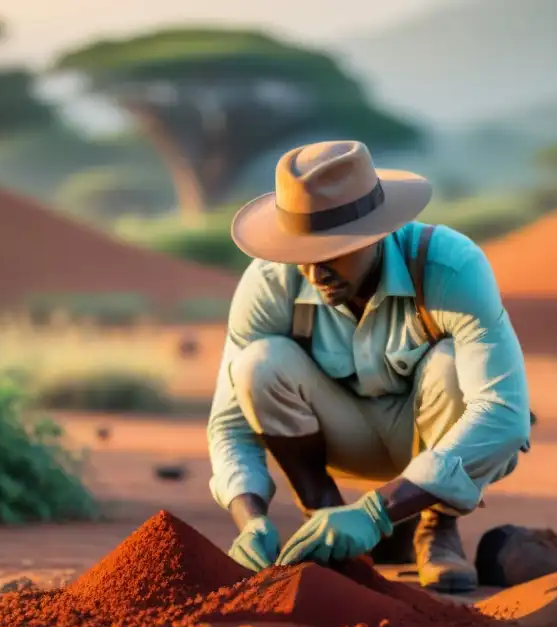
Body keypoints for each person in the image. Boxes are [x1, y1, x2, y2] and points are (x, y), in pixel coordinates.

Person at [206, 140, 531, 593]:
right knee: (257, 364)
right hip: (340, 440)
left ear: (378, 232)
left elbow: (503, 415)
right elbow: (229, 424)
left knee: (451, 365)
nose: (316, 274)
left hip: (432, 435)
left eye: (334, 251)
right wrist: (250, 517)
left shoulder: (448, 267)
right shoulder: (270, 281)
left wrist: (375, 511)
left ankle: (435, 529)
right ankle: (324, 520)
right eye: (303, 253)